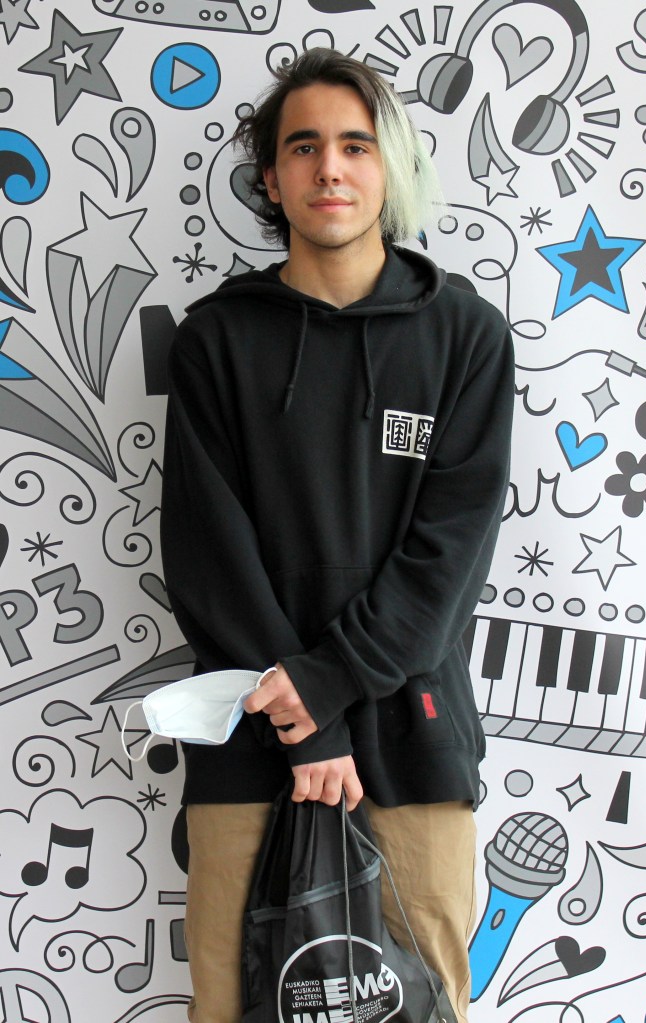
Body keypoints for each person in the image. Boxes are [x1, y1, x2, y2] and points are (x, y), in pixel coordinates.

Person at [160, 47, 514, 1023]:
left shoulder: (465, 336)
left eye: (357, 145)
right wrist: (307, 721)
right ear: (271, 178)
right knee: (232, 1006)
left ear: (390, 167)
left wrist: (330, 682)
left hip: (414, 741)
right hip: (251, 744)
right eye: (303, 146)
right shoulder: (215, 339)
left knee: (424, 1007)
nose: (331, 168)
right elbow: (207, 555)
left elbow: (449, 557)